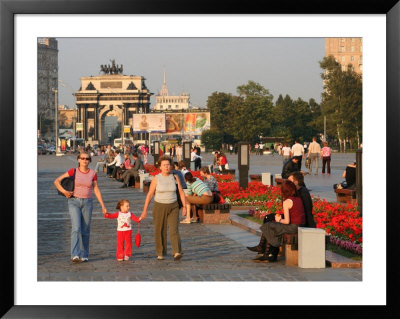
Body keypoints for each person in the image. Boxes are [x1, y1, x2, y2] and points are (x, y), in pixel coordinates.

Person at [54, 152, 108, 263]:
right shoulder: (72, 171)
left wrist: (103, 205)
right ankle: (75, 254)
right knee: (76, 228)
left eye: (87, 158)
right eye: (82, 158)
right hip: (74, 201)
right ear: (78, 160)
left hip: (87, 203)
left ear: (89, 161)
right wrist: (65, 192)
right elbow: (57, 181)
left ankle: (85, 254)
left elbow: (96, 189)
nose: (84, 160)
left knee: (86, 230)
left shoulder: (93, 173)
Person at [139, 155, 186, 261]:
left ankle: (176, 251)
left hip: (173, 206)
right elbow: (150, 194)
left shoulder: (175, 177)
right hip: (159, 206)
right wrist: (145, 210)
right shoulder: (156, 178)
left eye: (168, 165)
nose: (166, 167)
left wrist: (184, 207)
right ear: (160, 167)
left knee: (174, 229)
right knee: (160, 230)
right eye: (164, 165)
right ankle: (160, 252)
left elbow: (181, 192)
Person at [254, 180, 306, 262]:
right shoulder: (298, 199)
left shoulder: (287, 202)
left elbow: (287, 221)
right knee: (271, 226)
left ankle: (263, 250)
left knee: (269, 225)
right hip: (300, 225)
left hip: (293, 227)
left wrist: (279, 219)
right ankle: (265, 252)